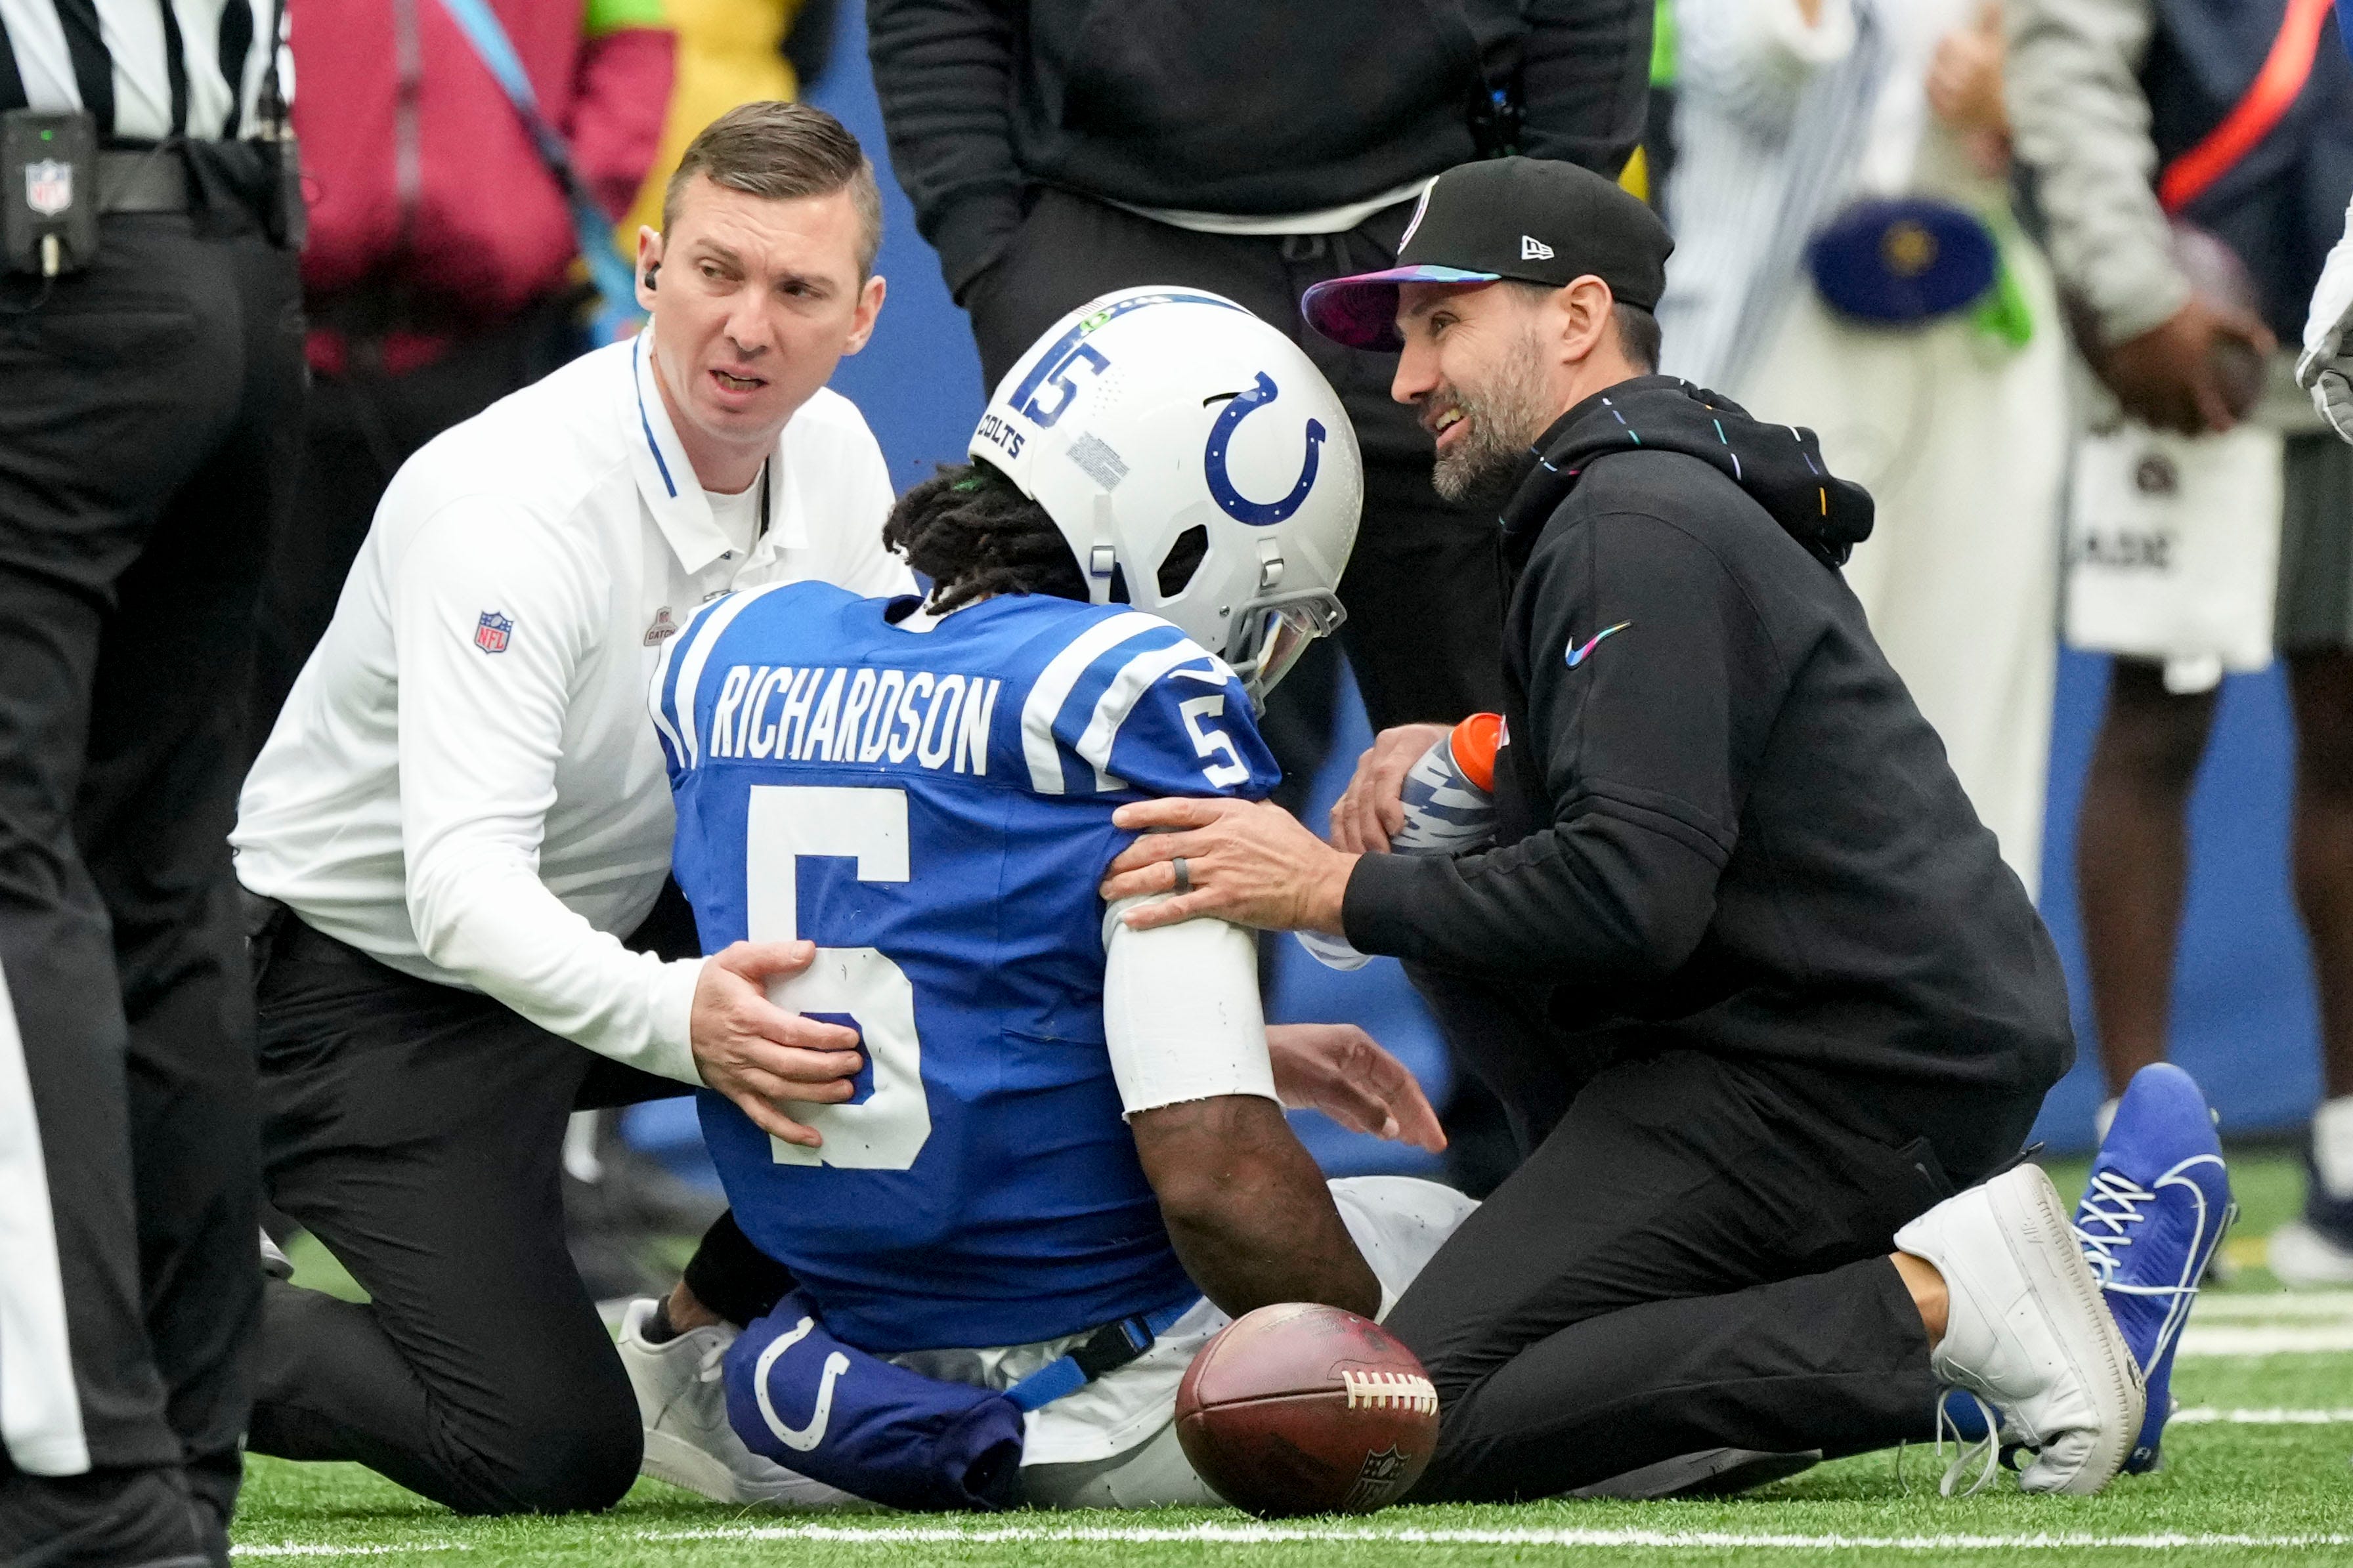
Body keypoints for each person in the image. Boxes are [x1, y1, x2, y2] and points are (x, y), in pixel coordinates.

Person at [1096, 156, 2195, 1498]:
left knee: (1400, 1418)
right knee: (1591, 1413)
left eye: (1442, 325)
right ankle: (2031, 1318)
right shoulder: (1623, 499)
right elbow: (1664, 809)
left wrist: (1327, 893)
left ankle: (1953, 1309)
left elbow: (1632, 892)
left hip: (1834, 1074)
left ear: (1573, 317)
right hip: (1813, 1049)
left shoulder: (1632, 518)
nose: (1405, 382)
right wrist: (1475, 767)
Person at [621, 288, 1469, 1511]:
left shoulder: (736, 648)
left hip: (830, 1397)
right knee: (1438, 1228)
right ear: (1188, 535)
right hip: (1096, 1399)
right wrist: (1361, 1354)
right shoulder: (1124, 696)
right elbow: (1215, 1182)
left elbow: (917, 1000)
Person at [230, 102, 917, 1517]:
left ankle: (698, 1351)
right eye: (715, 273)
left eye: (796, 291)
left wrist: (1155, 1019)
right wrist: (688, 1021)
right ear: (649, 266)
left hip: (609, 933)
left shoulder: (842, 457)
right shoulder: (509, 505)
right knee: (544, 1452)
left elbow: (896, 785)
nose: (745, 326)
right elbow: (463, 896)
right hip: (360, 999)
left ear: (862, 315)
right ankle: (129, 1311)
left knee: (932, 991)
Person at [866, 0, 1651, 743]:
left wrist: (1532, 223)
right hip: (1113, 239)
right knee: (1116, 758)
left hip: (1434, 243)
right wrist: (992, 251)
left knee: (1494, 749)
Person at [0, 8, 305, 1564]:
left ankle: (82, 1476)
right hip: (239, 242)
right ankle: (183, 1454)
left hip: (51, 255)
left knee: (18, 867)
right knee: (158, 879)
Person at [2004, 0, 2353, 1279]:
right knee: (2156, 725)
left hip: (2345, 326)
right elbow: (2064, 74)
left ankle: (2350, 1160)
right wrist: (2134, 290)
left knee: (2349, 727)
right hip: (2194, 338)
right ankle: (2136, 1153)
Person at [1658, 0, 2067, 895]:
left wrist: (2027, 84)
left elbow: (2118, 82)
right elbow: (1757, 64)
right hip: (1782, 342)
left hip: (1986, 327)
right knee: (1773, 717)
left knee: (1976, 724)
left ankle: (1989, 1017)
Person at [251, 0, 678, 740]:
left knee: (482, 693)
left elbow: (636, 39)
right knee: (254, 709)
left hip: (493, 353)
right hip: (275, 345)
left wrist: (543, 217)